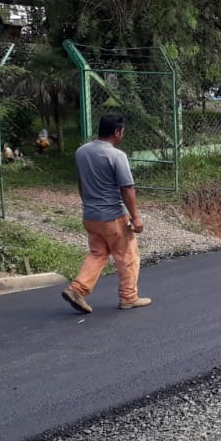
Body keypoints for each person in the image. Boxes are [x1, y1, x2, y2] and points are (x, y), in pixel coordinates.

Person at [61, 113, 151, 313]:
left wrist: (88, 204)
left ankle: (77, 289)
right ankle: (129, 297)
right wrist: (135, 217)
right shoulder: (117, 156)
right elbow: (126, 188)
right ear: (117, 132)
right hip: (113, 216)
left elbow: (80, 181)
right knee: (128, 255)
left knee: (98, 254)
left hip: (91, 215)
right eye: (122, 132)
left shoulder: (82, 152)